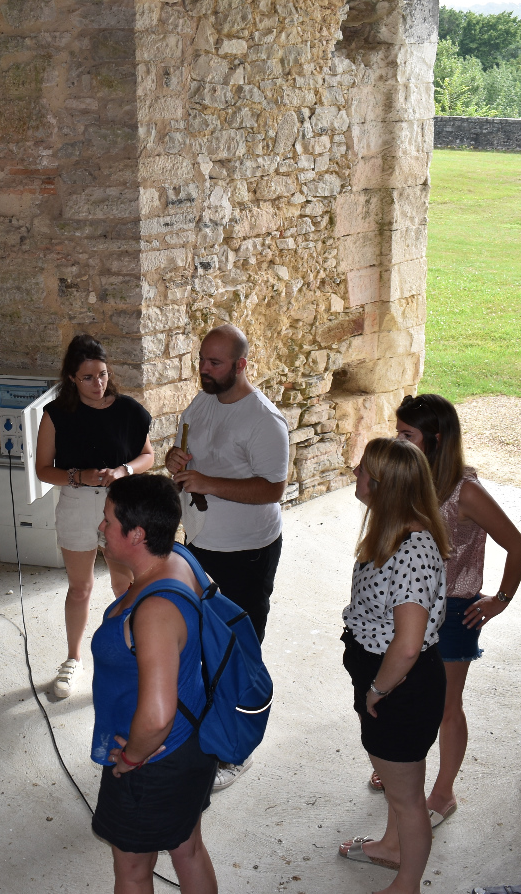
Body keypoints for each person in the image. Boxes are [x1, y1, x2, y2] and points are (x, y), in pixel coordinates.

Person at [370, 393, 521, 823]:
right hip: (409, 606)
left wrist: (500, 600)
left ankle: (443, 792)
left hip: (455, 609)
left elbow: (518, 546)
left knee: (444, 705)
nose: (398, 440)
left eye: (407, 434)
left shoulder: (466, 492)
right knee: (398, 689)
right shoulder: (408, 480)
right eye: (397, 431)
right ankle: (399, 765)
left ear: (436, 440)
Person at [164, 324, 288, 789]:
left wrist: (207, 483)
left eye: (215, 363)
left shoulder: (264, 420)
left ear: (241, 365)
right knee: (202, 646)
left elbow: (273, 488)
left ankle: (237, 751)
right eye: (202, 360)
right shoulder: (203, 401)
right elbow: (188, 454)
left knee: (240, 650)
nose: (204, 370)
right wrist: (176, 460)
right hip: (201, 547)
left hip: (247, 553)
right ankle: (204, 729)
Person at [90, 474, 219, 894]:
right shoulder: (178, 559)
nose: (101, 528)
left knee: (132, 870)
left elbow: (158, 714)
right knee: (188, 849)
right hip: (192, 742)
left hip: (155, 760)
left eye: (108, 520)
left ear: (137, 534)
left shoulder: (155, 610)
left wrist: (130, 758)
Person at [338, 437, 450, 894]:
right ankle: (391, 845)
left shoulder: (413, 550)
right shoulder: (392, 529)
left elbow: (407, 645)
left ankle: (407, 884)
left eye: (363, 470)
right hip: (381, 677)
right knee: (394, 782)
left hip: (398, 685)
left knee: (408, 799)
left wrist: (377, 691)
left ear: (383, 486)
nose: (355, 474)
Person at [33, 333, 154, 700]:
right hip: (77, 502)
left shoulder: (129, 410)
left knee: (125, 585)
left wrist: (123, 471)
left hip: (120, 505)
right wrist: (79, 476)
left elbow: (147, 456)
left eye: (102, 374)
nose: (97, 383)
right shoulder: (56, 414)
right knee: (80, 587)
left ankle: (130, 656)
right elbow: (42, 469)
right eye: (87, 377)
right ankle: (73, 659)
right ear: (71, 377)